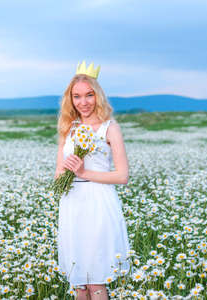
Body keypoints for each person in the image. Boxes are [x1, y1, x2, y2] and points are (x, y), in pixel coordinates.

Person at [55, 61, 131, 300]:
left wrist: (84, 173)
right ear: (70, 99)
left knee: (96, 281)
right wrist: (65, 173)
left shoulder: (110, 128)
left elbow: (122, 176)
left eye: (89, 95)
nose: (83, 102)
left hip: (98, 202)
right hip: (72, 204)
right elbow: (58, 173)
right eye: (76, 96)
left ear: (98, 96)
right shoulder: (69, 128)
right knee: (80, 283)